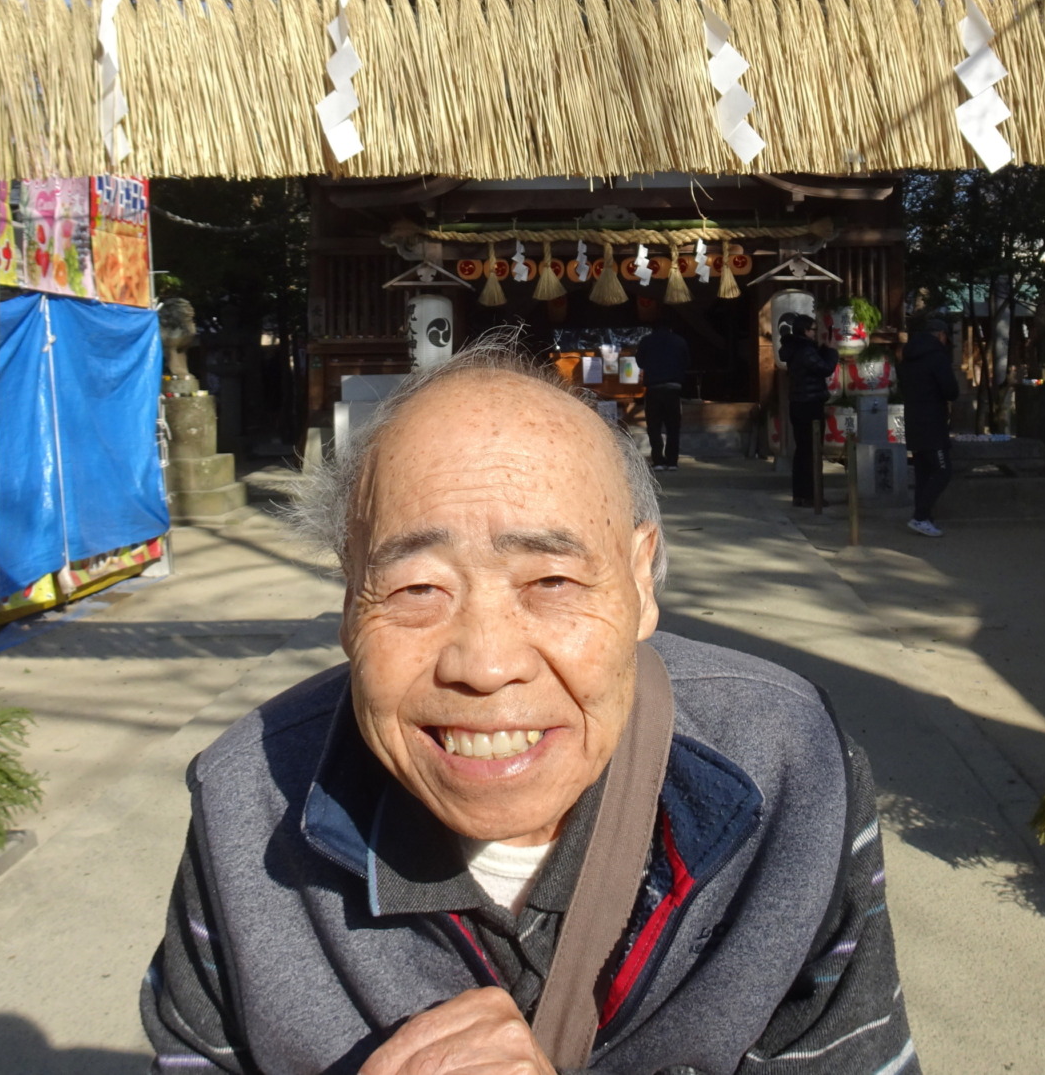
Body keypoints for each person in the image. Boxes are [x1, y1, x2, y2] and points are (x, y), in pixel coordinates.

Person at [142, 342, 916, 1075]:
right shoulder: (243, 808)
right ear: (350, 600)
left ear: (642, 581)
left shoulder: (790, 773)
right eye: (417, 589)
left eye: (551, 581)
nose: (485, 665)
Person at [898, 311, 961, 538]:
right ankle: (920, 517)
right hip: (933, 421)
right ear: (941, 335)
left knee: (924, 471)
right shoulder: (937, 357)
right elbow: (951, 390)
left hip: (913, 418)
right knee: (943, 471)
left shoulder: (907, 356)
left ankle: (923, 517)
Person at [777, 313, 839, 508]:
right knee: (812, 451)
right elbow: (826, 368)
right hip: (810, 404)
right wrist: (831, 351)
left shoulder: (795, 348)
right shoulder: (805, 350)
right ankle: (812, 495)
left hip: (798, 403)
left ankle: (801, 495)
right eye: (813, 329)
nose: (815, 333)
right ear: (805, 331)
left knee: (802, 451)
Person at [631, 321, 692, 472]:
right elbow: (687, 362)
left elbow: (639, 362)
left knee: (654, 426)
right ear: (670, 327)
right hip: (673, 389)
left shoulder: (646, 341)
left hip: (653, 388)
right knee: (673, 427)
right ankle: (672, 461)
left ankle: (658, 460)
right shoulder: (679, 341)